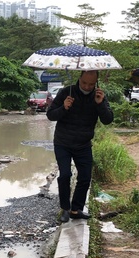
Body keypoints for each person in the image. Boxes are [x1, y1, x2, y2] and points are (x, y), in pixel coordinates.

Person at [46, 70, 113, 223]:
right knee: (65, 175)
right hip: (63, 142)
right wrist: (64, 107)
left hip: (83, 144)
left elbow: (108, 120)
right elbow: (50, 115)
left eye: (91, 84)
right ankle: (65, 208)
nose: (87, 86)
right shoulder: (66, 92)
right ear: (79, 78)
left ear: (96, 82)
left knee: (85, 177)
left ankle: (76, 209)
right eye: (84, 83)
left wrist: (100, 104)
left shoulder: (98, 95)